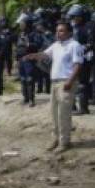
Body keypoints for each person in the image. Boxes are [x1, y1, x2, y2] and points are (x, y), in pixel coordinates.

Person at [36, 22, 84, 154]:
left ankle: (65, 142)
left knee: (63, 114)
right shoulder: (56, 45)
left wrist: (70, 81)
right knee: (54, 113)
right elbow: (45, 54)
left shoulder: (74, 45)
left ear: (69, 32)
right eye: (57, 31)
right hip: (54, 83)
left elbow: (78, 65)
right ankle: (56, 139)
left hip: (66, 82)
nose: (58, 33)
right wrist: (32, 56)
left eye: (61, 31)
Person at [66, 5, 93, 115]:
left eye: (76, 17)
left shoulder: (87, 27)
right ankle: (72, 107)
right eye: (72, 17)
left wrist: (81, 49)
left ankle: (83, 108)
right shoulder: (73, 29)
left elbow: (91, 44)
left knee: (82, 84)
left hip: (83, 60)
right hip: (72, 60)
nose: (74, 19)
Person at [15, 16, 44, 107]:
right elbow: (18, 47)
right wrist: (17, 59)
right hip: (21, 59)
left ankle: (32, 99)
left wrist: (28, 44)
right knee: (23, 79)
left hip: (29, 59)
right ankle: (25, 98)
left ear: (27, 24)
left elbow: (38, 44)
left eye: (22, 24)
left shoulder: (34, 34)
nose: (21, 25)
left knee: (30, 79)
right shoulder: (21, 34)